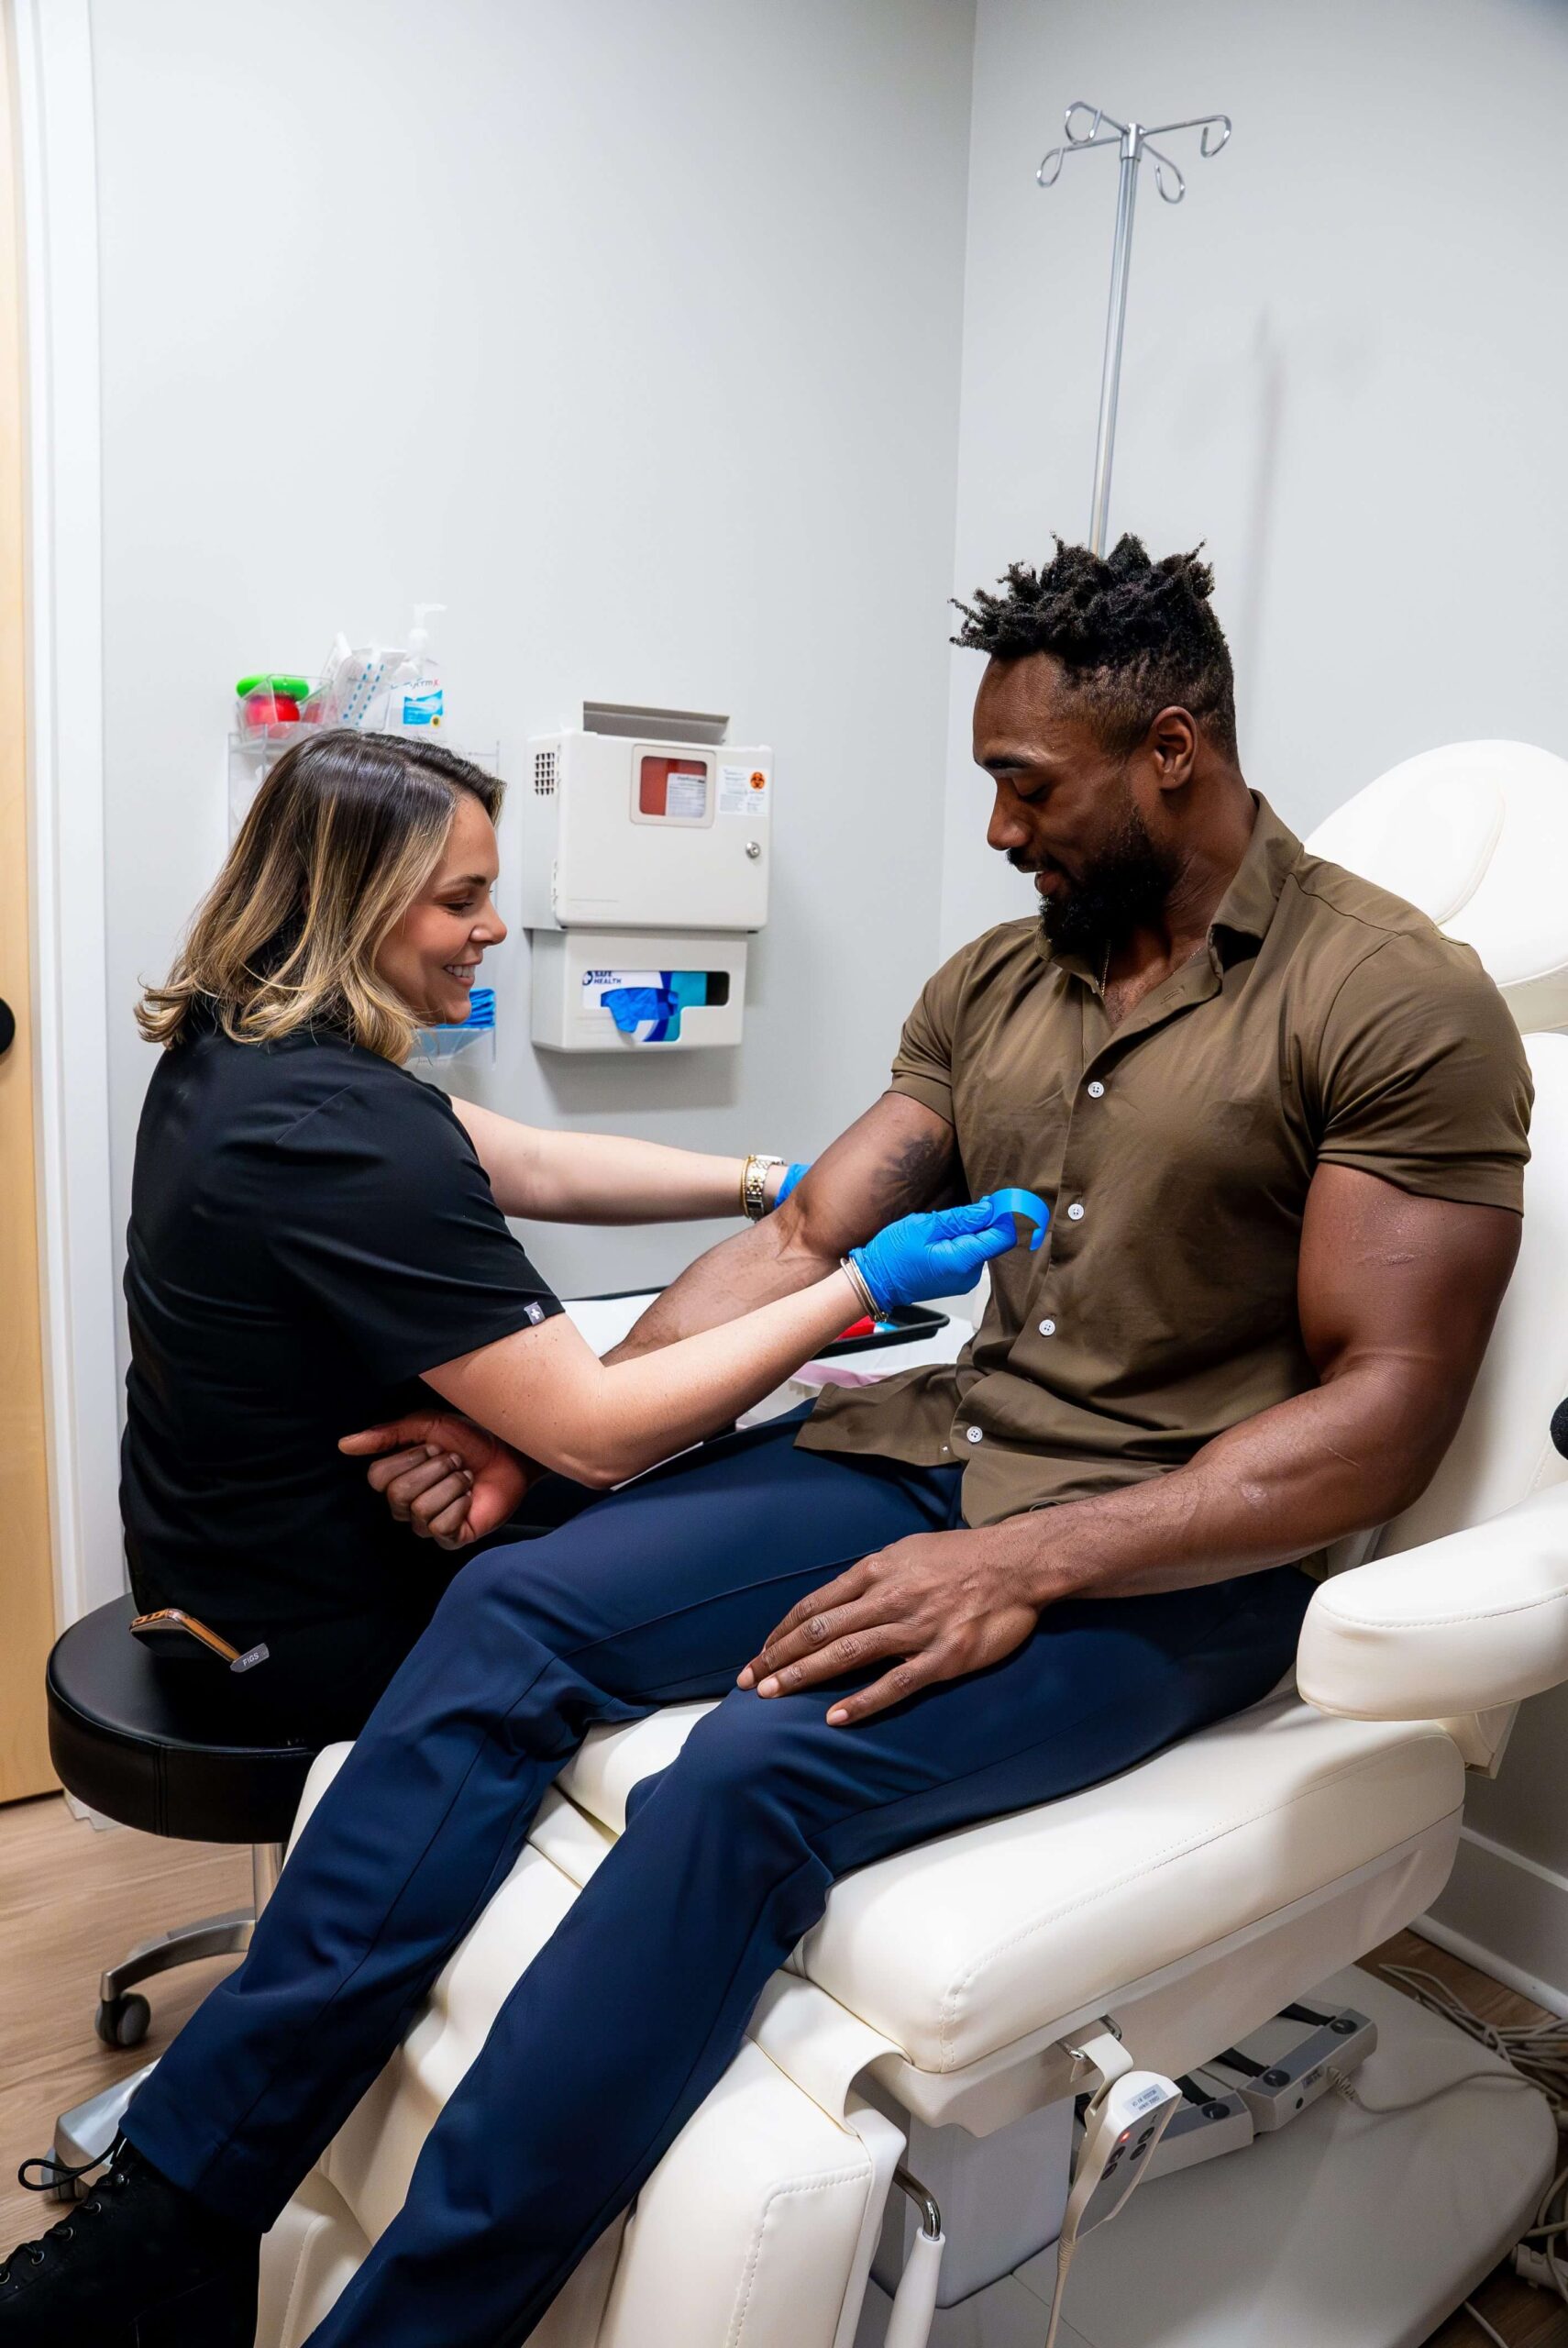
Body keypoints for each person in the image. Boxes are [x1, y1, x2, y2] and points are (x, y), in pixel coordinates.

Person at [2, 537, 1531, 2348]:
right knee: (509, 1608)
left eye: (1028, 785)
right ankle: (179, 2208)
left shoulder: (1391, 1000)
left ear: (1172, 754)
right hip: (930, 1450)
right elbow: (803, 1237)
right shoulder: (999, 984)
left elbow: (1386, 1408)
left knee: (748, 1774)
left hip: (1165, 1548)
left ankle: (413, 2326)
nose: (998, 828)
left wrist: (1021, 1557)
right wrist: (562, 1458)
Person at [115, 727, 1020, 1743]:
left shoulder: (237, 1051)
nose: (495, 927)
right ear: (353, 903)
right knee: (732, 1510)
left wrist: (768, 1184)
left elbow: (536, 1165)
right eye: (461, 900)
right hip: (307, 1623)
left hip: (202, 1570)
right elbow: (595, 1436)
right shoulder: (344, 1135)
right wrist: (863, 1283)